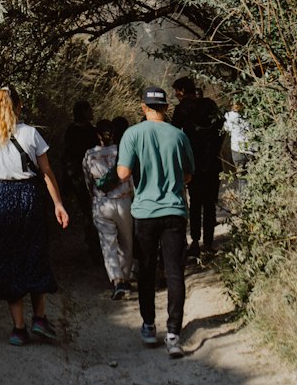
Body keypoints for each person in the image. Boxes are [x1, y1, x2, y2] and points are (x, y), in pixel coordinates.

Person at [0, 85, 70, 346]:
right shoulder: (31, 134)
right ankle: (40, 319)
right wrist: (58, 204)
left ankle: (18, 328)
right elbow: (47, 172)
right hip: (27, 197)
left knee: (7, 259)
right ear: (19, 106)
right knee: (34, 252)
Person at [117, 86, 194, 358]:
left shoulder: (132, 134)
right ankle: (173, 334)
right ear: (166, 107)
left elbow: (124, 173)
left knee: (147, 270)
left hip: (145, 212)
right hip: (174, 210)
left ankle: (149, 326)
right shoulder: (178, 135)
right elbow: (188, 176)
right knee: (174, 272)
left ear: (143, 107)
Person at [171, 76, 223, 258]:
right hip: (212, 163)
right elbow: (221, 131)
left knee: (195, 203)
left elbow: (174, 136)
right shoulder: (209, 105)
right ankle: (208, 243)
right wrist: (214, 152)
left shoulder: (181, 110)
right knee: (209, 203)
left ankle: (194, 241)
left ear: (183, 91)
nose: (176, 96)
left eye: (177, 92)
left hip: (192, 163)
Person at [82, 119, 134, 299]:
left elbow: (88, 181)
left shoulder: (89, 155)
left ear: (97, 134)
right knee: (127, 242)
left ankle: (117, 280)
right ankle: (126, 278)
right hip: (124, 201)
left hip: (102, 203)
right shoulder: (123, 151)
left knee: (108, 244)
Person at [63, 101, 102, 266]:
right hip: (85, 177)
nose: (92, 111)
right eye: (89, 109)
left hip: (82, 177)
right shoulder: (87, 131)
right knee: (91, 212)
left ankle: (95, 247)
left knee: (90, 212)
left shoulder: (74, 131)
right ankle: (95, 247)